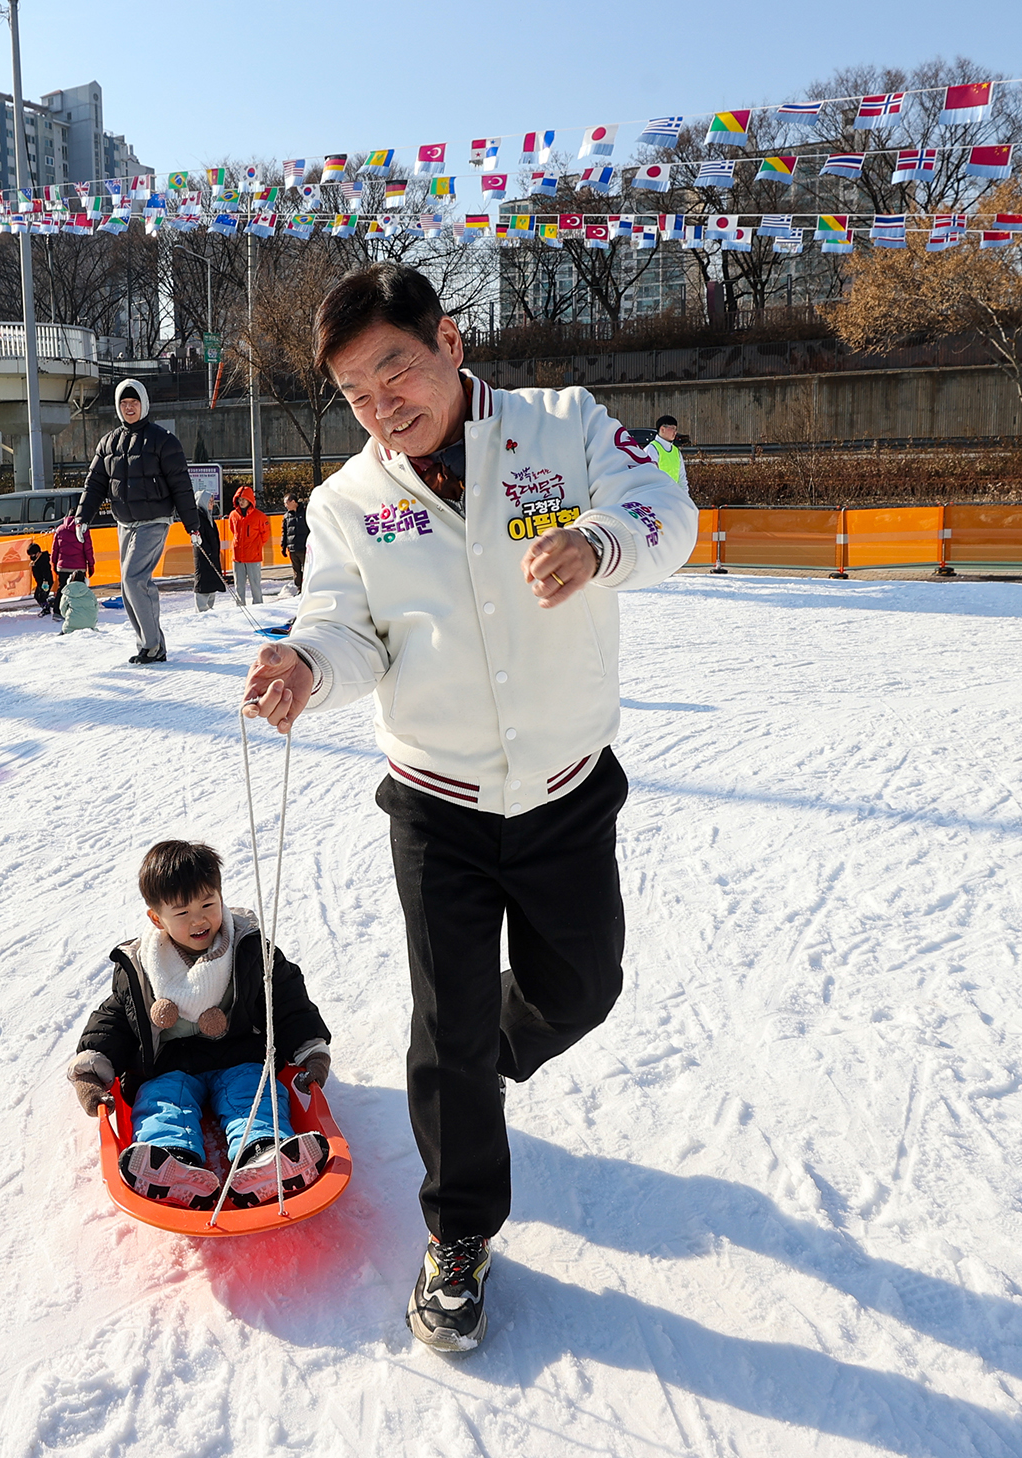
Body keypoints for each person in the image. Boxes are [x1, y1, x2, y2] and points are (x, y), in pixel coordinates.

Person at [241, 262, 698, 1352]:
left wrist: (599, 544)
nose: (382, 402)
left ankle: (466, 1057)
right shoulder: (348, 501)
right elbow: (343, 625)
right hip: (435, 803)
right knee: (444, 1032)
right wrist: (308, 664)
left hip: (565, 787)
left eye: (394, 368)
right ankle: (458, 1237)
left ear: (449, 340)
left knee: (580, 990)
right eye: (356, 391)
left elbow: (663, 508)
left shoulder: (560, 428)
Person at [68, 840, 333, 1209]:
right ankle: (170, 1162)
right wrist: (90, 1067)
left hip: (238, 1056)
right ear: (157, 918)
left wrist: (311, 1048)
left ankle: (266, 1154)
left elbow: (287, 999)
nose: (199, 920)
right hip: (170, 1066)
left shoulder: (248, 948)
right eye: (182, 912)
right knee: (162, 1104)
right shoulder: (142, 966)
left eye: (208, 905)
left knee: (252, 1096)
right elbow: (115, 1017)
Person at [79, 379, 205, 665]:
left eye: (133, 403)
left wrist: (192, 525)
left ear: (144, 404)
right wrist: (82, 517)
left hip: (154, 521)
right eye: (124, 403)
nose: (129, 408)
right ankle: (151, 645)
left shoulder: (163, 440)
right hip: (124, 523)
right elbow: (95, 484)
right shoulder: (109, 442)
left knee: (135, 578)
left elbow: (181, 486)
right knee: (127, 585)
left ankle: (151, 645)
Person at [227, 486, 271, 605]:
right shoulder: (233, 515)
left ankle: (258, 606)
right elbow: (233, 530)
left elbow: (265, 534)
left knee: (255, 584)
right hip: (238, 556)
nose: (241, 502)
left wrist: (256, 546)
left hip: (253, 556)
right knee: (238, 585)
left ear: (250, 500)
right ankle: (239, 607)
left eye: (243, 500)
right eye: (239, 500)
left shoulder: (259, 516)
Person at [192, 492, 226, 613]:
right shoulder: (198, 518)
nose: (212, 504)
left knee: (212, 585)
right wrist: (209, 552)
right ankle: (201, 612)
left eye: (212, 502)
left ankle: (210, 611)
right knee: (203, 586)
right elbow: (200, 539)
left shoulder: (209, 517)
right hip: (204, 558)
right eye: (209, 502)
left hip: (212, 557)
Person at [281, 489, 311, 592]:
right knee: (296, 571)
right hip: (292, 548)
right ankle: (299, 588)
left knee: (307, 568)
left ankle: (309, 587)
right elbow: (284, 532)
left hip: (304, 547)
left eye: (286, 503)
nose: (285, 505)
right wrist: (283, 546)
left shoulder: (306, 512)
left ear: (293, 502)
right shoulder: (286, 516)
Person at [53, 511, 96, 581]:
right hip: (80, 568)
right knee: (79, 590)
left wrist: (54, 563)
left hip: (63, 567)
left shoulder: (59, 530)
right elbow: (88, 550)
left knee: (64, 590)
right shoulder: (83, 530)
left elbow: (55, 550)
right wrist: (91, 565)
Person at [652, 416, 688, 489]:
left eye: (676, 429)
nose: (675, 432)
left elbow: (682, 479)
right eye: (672, 429)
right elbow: (650, 477)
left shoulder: (676, 451)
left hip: (673, 496)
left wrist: (685, 498)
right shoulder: (652, 449)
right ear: (662, 429)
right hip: (658, 496)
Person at [26, 542, 57, 617]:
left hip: (45, 582)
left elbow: (46, 572)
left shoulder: (43, 561)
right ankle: (46, 606)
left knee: (42, 596)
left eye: (32, 554)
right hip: (40, 582)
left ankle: (47, 608)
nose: (31, 556)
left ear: (37, 553)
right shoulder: (36, 560)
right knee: (37, 596)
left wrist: (45, 581)